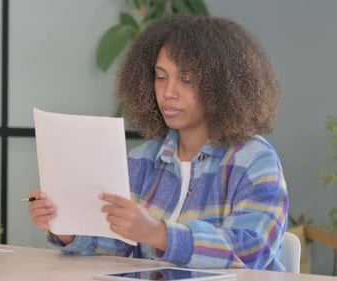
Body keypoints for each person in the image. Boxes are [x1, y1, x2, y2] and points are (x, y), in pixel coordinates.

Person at [28, 14, 288, 271]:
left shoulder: (254, 160)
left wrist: (158, 233)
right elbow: (120, 245)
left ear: (221, 86)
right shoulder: (141, 160)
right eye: (161, 76)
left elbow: (253, 249)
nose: (168, 92)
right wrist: (65, 228)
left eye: (186, 79)